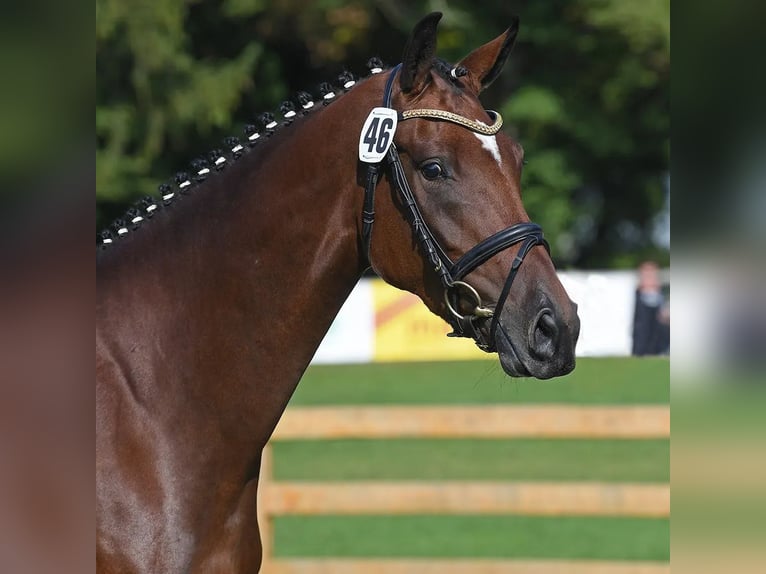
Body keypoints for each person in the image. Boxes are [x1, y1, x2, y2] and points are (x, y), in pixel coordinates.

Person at [632, 261, 670, 356]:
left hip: (659, 348)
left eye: (652, 276)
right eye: (647, 276)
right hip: (640, 349)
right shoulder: (633, 299)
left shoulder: (662, 298)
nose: (650, 279)